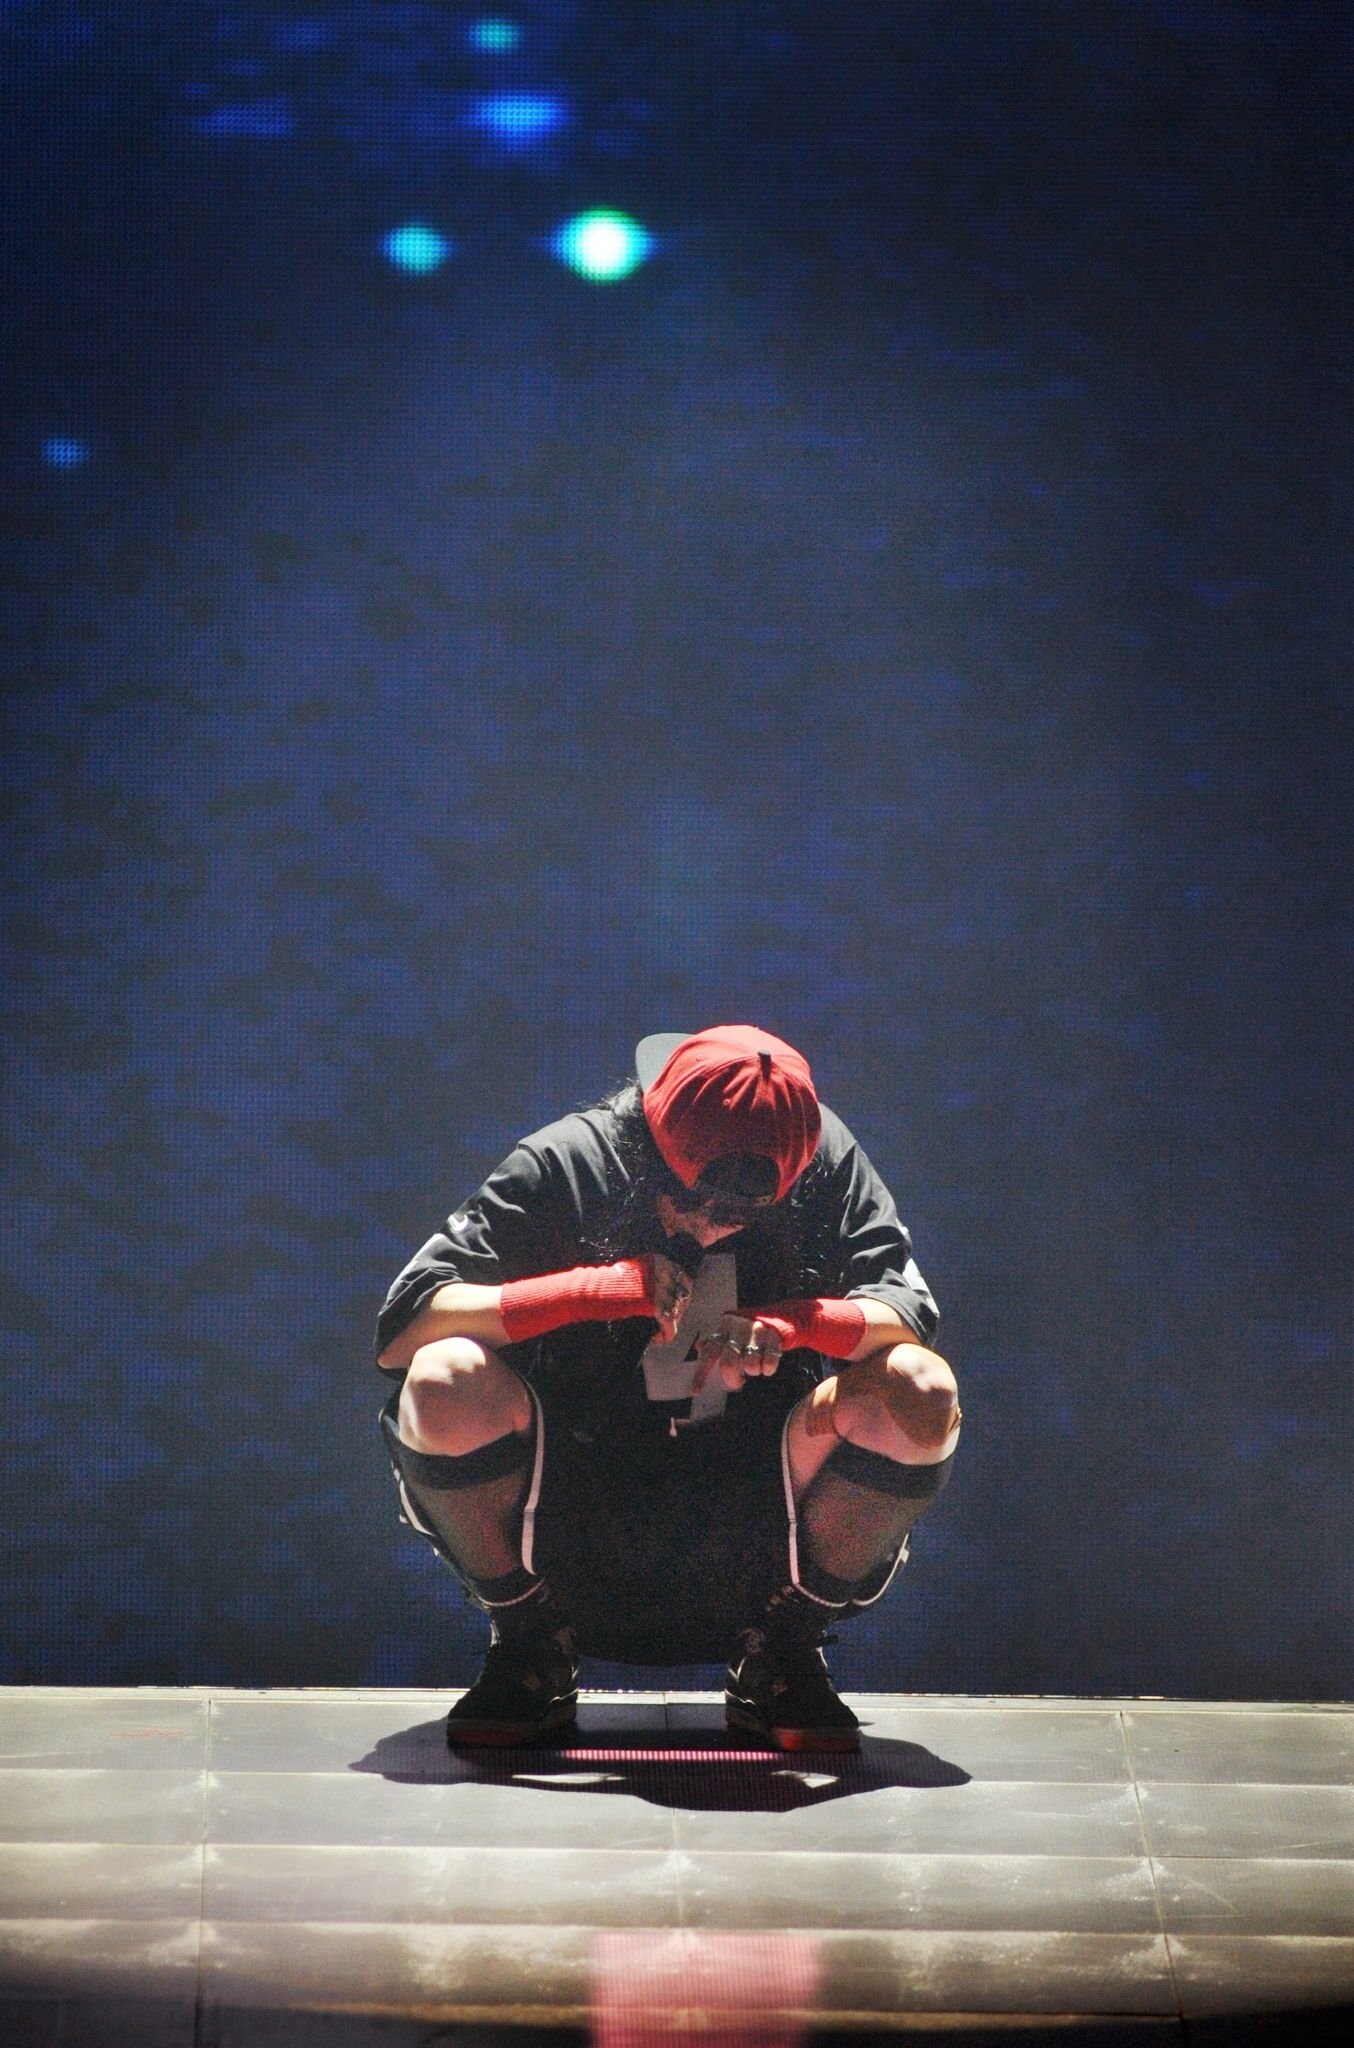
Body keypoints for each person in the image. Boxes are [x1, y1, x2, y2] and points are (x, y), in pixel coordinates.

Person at [376, 1025, 960, 1752]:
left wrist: (794, 1324)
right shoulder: (567, 1161)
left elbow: (910, 1320)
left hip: (762, 1506)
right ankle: (529, 1637)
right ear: (648, 1146)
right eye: (692, 1202)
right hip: (573, 1497)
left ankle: (785, 1644)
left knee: (919, 1387)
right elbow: (403, 1330)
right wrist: (589, 1290)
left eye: (742, 1216)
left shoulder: (827, 1163)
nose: (712, 1231)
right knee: (443, 1377)